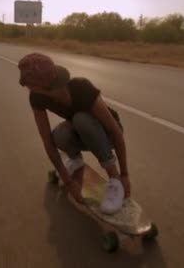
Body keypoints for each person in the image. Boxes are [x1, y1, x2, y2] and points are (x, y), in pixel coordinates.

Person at [18, 52, 130, 214]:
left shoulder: (81, 88)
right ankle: (75, 160)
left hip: (108, 136)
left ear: (44, 84)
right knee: (59, 135)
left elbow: (115, 131)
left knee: (80, 119)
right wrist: (68, 181)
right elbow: (47, 142)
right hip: (82, 133)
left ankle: (115, 182)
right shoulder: (37, 97)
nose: (27, 87)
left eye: (30, 83)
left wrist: (124, 174)